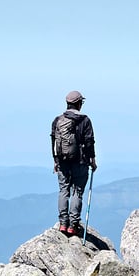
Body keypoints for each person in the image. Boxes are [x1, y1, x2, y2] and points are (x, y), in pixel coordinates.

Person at [51, 90, 97, 235]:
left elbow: (53, 140)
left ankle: (63, 224)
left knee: (63, 190)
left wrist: (56, 160)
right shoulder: (85, 120)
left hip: (63, 161)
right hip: (80, 162)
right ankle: (73, 225)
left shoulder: (58, 120)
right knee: (77, 191)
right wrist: (92, 160)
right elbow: (89, 141)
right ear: (78, 103)